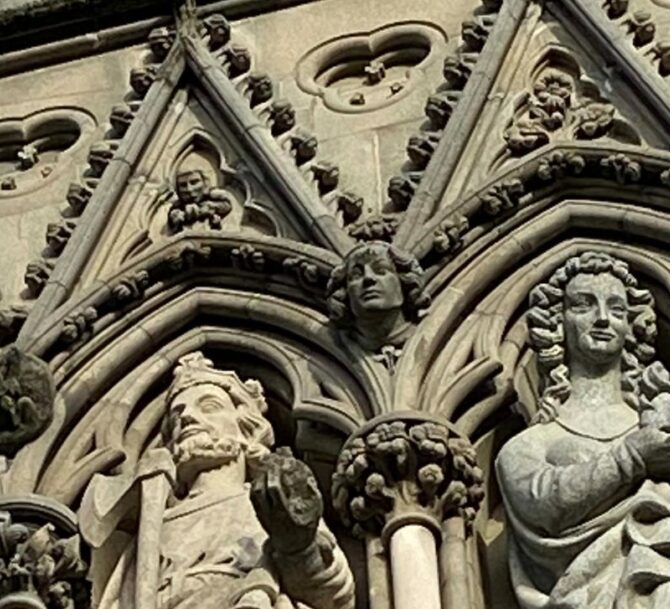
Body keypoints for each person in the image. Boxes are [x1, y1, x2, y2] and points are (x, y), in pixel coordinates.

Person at [496, 252, 670, 609]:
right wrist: (632, 456)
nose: (602, 319)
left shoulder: (664, 412)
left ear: (631, 326)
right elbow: (542, 505)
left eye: (616, 310)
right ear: (557, 322)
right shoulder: (531, 443)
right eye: (584, 305)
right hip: (596, 592)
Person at [82, 352, 355, 609]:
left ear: (246, 425)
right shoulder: (155, 524)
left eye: (209, 407)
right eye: (177, 415)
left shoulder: (270, 499)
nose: (187, 417)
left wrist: (297, 547)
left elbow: (335, 593)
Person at [326, 241, 428, 350]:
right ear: (345, 294)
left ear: (404, 282)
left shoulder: (428, 331)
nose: (368, 278)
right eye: (356, 275)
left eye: (380, 270)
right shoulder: (338, 345)